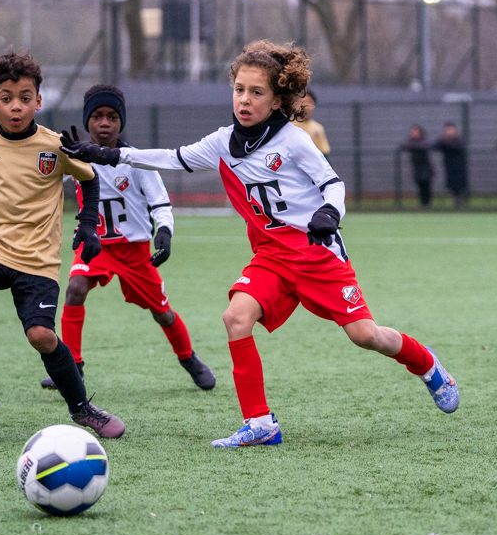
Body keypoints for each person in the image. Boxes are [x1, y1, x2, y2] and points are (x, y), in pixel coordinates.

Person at [59, 40, 459, 448]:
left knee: (365, 335)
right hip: (270, 256)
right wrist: (105, 155)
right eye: (239, 90)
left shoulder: (293, 140)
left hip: (316, 254)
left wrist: (328, 215)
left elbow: (332, 185)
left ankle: (427, 364)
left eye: (257, 92)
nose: (245, 100)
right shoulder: (221, 142)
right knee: (235, 317)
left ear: (276, 100)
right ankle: (260, 423)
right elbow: (172, 157)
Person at [0, 51, 124, 442]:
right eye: (8, 97)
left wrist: (88, 225)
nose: (17, 106)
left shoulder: (56, 145)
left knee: (41, 337)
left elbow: (90, 179)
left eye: (26, 97)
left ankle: (82, 408)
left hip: (38, 260)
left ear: (39, 101)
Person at [39, 85, 215, 392]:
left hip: (134, 251)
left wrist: (164, 231)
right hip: (93, 245)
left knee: (163, 312)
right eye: (96, 116)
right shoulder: (75, 158)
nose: (104, 123)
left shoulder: (136, 160)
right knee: (75, 289)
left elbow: (159, 201)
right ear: (86, 121)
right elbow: (44, 178)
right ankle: (71, 368)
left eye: (111, 116)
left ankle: (189, 359)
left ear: (121, 122)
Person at [434, 122, 468, 208]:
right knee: (451, 183)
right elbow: (434, 147)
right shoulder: (443, 139)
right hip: (448, 165)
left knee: (460, 183)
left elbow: (457, 147)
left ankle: (460, 199)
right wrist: (443, 140)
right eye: (447, 130)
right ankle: (455, 199)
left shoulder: (458, 139)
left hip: (459, 165)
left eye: (450, 129)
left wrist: (446, 143)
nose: (449, 131)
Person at [292, 87, 331, 158]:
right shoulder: (289, 126)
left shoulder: (318, 128)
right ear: (296, 105)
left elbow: (324, 154)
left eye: (309, 102)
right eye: (303, 102)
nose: (307, 107)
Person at [405, 125, 434, 207]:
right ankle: (423, 203)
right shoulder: (410, 141)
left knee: (426, 186)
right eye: (413, 132)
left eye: (416, 131)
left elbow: (423, 145)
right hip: (417, 168)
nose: (414, 133)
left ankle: (427, 203)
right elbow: (404, 144)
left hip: (425, 168)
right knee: (420, 186)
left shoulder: (423, 141)